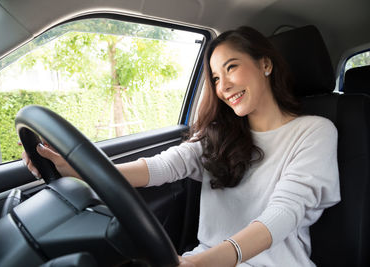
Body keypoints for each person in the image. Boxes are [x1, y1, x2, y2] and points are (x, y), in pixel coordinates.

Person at [22, 26, 340, 266]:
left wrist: (196, 264)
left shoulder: (314, 132)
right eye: (215, 78)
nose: (223, 85)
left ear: (265, 65)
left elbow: (283, 213)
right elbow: (161, 166)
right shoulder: (222, 133)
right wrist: (72, 169)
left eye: (231, 67)